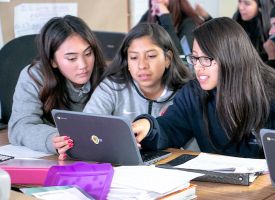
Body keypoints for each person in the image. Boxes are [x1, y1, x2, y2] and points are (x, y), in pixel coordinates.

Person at [132, 17, 275, 159]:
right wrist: (148, 126)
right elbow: (170, 128)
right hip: (215, 185)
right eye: (195, 58)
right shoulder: (193, 93)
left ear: (230, 58)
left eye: (206, 59)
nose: (198, 67)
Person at [53, 23, 192, 160]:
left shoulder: (187, 93)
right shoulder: (112, 87)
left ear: (167, 59)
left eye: (151, 56)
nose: (142, 65)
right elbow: (86, 129)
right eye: (133, 57)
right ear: (127, 62)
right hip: (120, 167)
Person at [8, 15, 106, 154]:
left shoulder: (107, 77)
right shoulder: (35, 76)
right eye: (71, 58)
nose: (83, 65)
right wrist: (51, 138)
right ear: (52, 61)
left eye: (88, 53)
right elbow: (20, 127)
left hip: (98, 156)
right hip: (51, 158)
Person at [139, 0, 209, 55]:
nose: (158, 1)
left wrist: (165, 17)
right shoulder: (150, 15)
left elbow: (182, 57)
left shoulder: (189, 22)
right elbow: (134, 39)